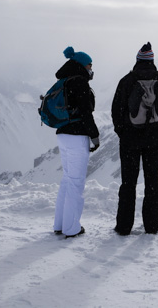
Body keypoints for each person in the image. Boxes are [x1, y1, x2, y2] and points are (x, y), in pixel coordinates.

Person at [112, 42, 158, 235]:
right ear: (153, 61)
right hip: (154, 141)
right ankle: (152, 225)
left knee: (128, 183)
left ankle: (124, 227)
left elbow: (116, 111)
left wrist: (124, 132)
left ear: (137, 60)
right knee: (152, 181)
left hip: (130, 140)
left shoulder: (127, 81)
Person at [52, 46, 101, 239]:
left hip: (62, 134)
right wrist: (94, 135)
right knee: (75, 183)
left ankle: (60, 224)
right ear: (82, 65)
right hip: (76, 136)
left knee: (67, 180)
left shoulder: (65, 81)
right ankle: (71, 228)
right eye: (89, 64)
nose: (91, 68)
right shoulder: (79, 82)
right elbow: (85, 112)